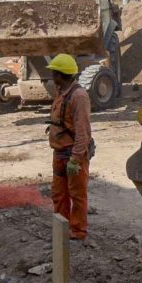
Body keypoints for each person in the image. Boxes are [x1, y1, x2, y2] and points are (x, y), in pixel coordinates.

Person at [46, 51, 92, 241]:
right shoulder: (61, 92)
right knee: (59, 194)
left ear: (59, 74)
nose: (51, 75)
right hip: (59, 152)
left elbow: (83, 132)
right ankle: (61, 229)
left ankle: (78, 231)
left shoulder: (79, 96)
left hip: (72, 155)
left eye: (53, 72)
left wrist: (75, 158)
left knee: (77, 195)